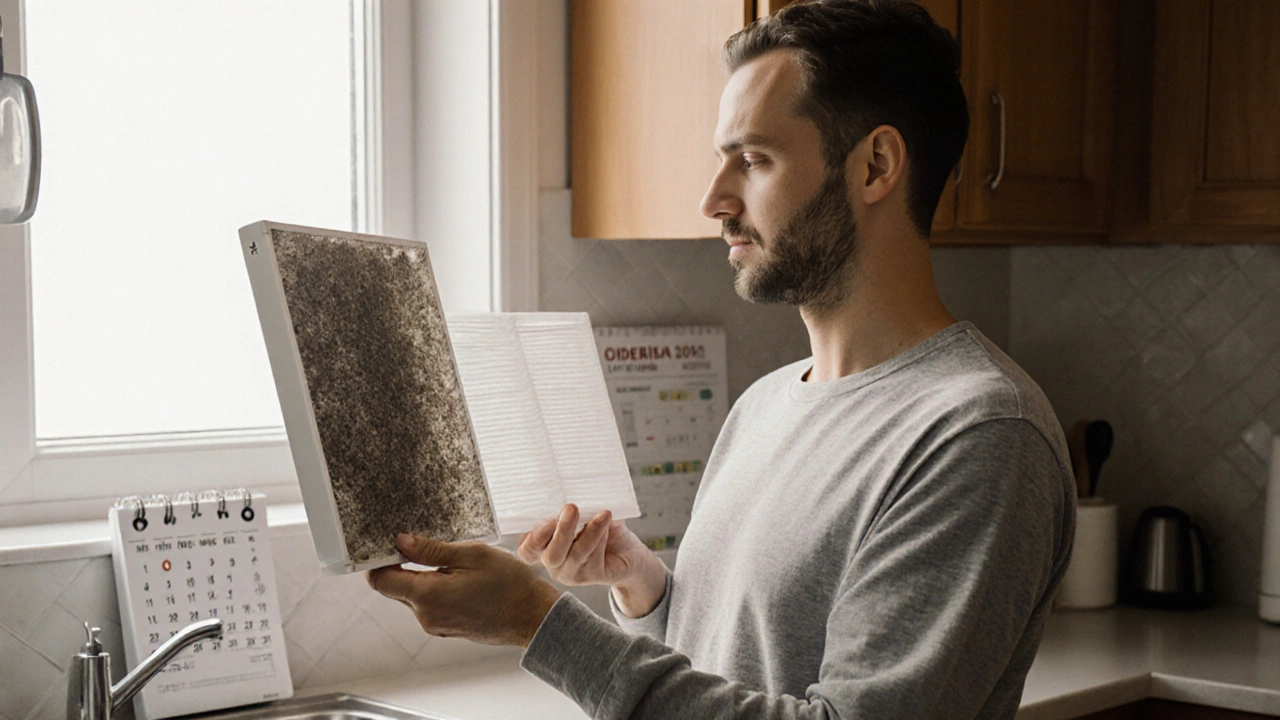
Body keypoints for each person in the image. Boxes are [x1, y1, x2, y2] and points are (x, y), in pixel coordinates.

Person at [367, 1, 1076, 718]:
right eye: (721, 160)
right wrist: (650, 592)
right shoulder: (765, 405)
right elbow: (733, 672)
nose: (713, 199)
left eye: (755, 160)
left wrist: (537, 624)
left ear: (876, 167)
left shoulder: (980, 436)